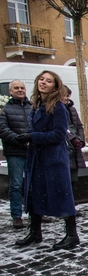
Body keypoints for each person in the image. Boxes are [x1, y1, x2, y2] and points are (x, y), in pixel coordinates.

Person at [15, 70, 79, 249]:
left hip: (53, 159)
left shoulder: (58, 107)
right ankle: (35, 232)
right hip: (37, 158)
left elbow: (59, 135)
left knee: (62, 194)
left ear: (55, 86)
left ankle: (72, 234)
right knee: (34, 193)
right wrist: (27, 136)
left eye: (48, 81)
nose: (43, 83)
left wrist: (32, 137)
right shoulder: (36, 104)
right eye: (42, 79)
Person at [0, 80, 31, 229]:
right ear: (10, 92)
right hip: (15, 153)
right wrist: (22, 141)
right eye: (16, 88)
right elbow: (3, 131)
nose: (20, 90)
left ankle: (36, 213)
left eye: (22, 88)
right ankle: (17, 216)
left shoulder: (33, 107)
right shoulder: (5, 110)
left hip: (32, 152)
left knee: (33, 184)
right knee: (16, 185)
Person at [62, 86, 86, 183]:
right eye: (64, 95)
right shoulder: (56, 110)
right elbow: (62, 129)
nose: (67, 98)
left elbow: (79, 126)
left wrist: (80, 140)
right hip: (66, 148)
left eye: (68, 95)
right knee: (64, 180)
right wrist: (72, 139)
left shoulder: (72, 110)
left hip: (75, 149)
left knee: (73, 180)